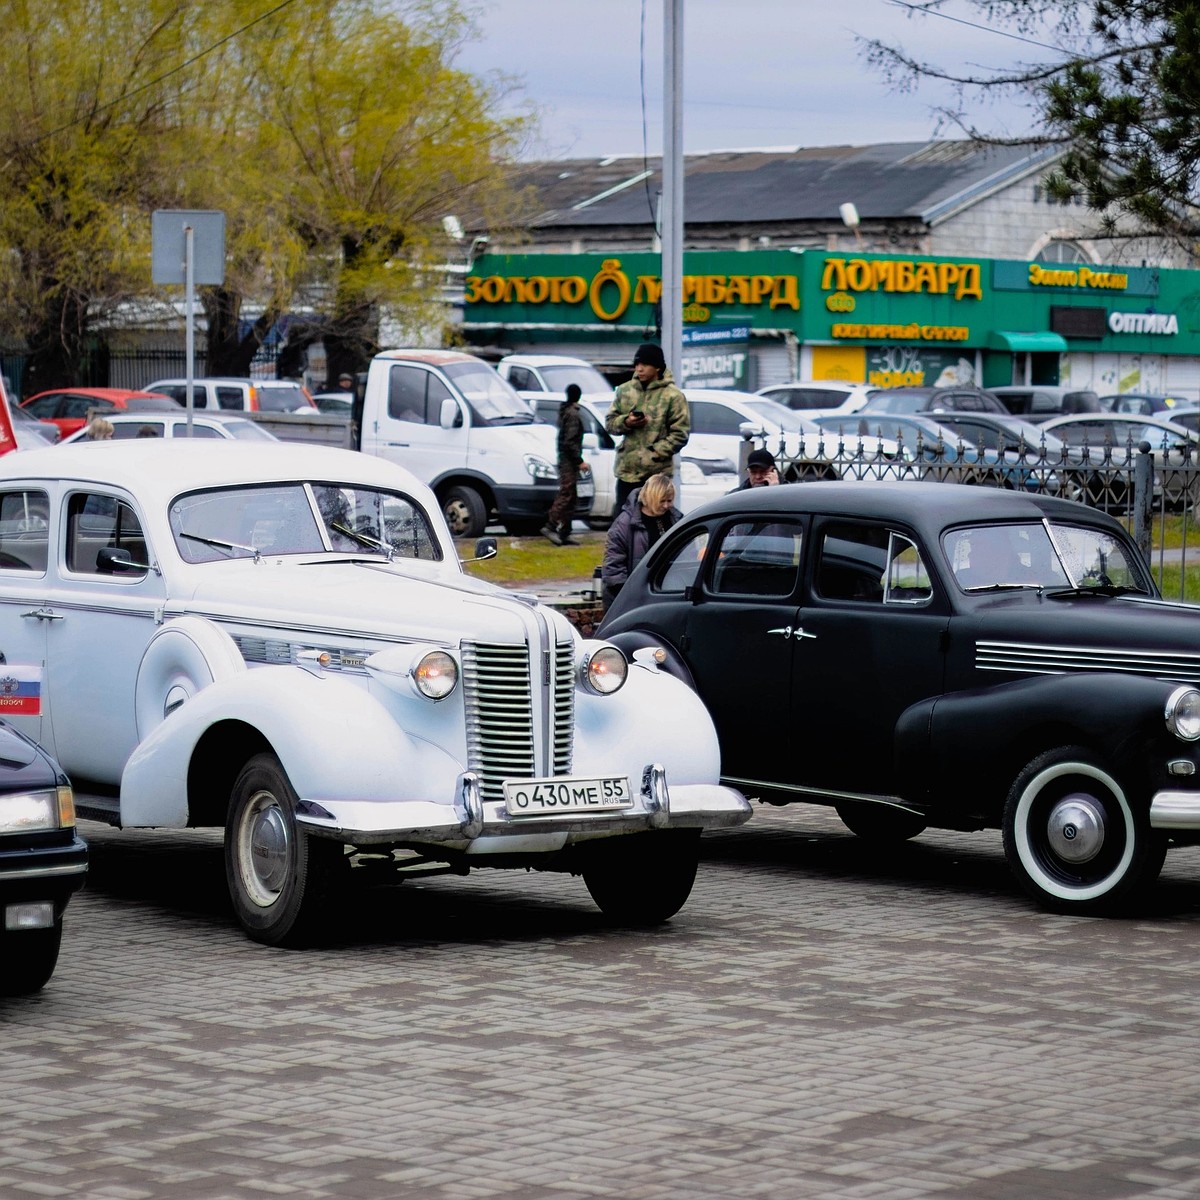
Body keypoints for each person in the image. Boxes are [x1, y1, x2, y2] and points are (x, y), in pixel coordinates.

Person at [604, 343, 690, 512]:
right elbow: (610, 424)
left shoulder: (673, 396)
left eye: (644, 364)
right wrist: (627, 422)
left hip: (656, 476)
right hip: (626, 473)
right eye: (637, 365)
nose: (639, 369)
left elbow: (680, 434)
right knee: (623, 522)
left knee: (654, 521)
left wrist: (655, 453)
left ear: (657, 367)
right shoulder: (625, 390)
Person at [601, 472, 680, 610]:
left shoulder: (675, 518)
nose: (667, 506)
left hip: (666, 589)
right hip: (634, 595)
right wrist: (627, 596)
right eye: (662, 501)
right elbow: (613, 566)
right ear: (650, 498)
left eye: (670, 500)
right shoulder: (624, 524)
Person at [541, 383, 584, 546]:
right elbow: (569, 441)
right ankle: (550, 526)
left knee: (571, 497)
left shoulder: (565, 411)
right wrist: (579, 461)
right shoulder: (573, 414)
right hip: (569, 461)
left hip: (566, 460)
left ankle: (565, 532)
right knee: (566, 494)